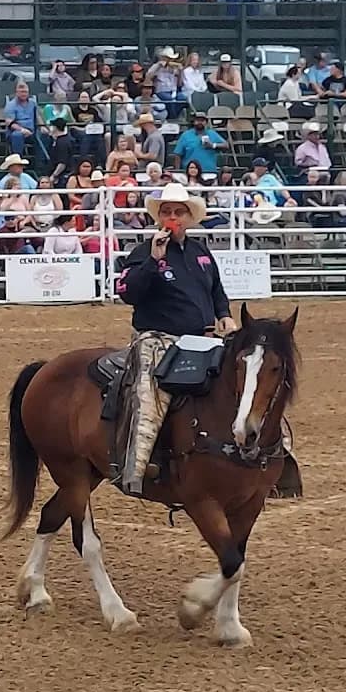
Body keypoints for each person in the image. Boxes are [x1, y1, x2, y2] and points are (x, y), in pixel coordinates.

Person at [115, 182, 236, 495]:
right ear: (159, 217)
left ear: (188, 217)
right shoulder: (143, 253)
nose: (172, 217)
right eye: (167, 212)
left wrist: (224, 313)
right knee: (149, 396)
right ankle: (137, 466)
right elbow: (127, 293)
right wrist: (153, 261)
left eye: (178, 212)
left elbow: (216, 290)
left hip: (203, 338)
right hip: (158, 338)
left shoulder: (201, 252)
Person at [3, 81, 39, 156]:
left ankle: (41, 164)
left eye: (26, 92)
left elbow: (38, 116)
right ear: (17, 93)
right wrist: (22, 130)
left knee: (43, 135)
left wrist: (43, 127)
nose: (24, 94)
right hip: (17, 131)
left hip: (32, 130)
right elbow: (9, 123)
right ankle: (17, 161)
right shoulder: (11, 105)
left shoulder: (33, 103)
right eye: (22, 92)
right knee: (17, 135)